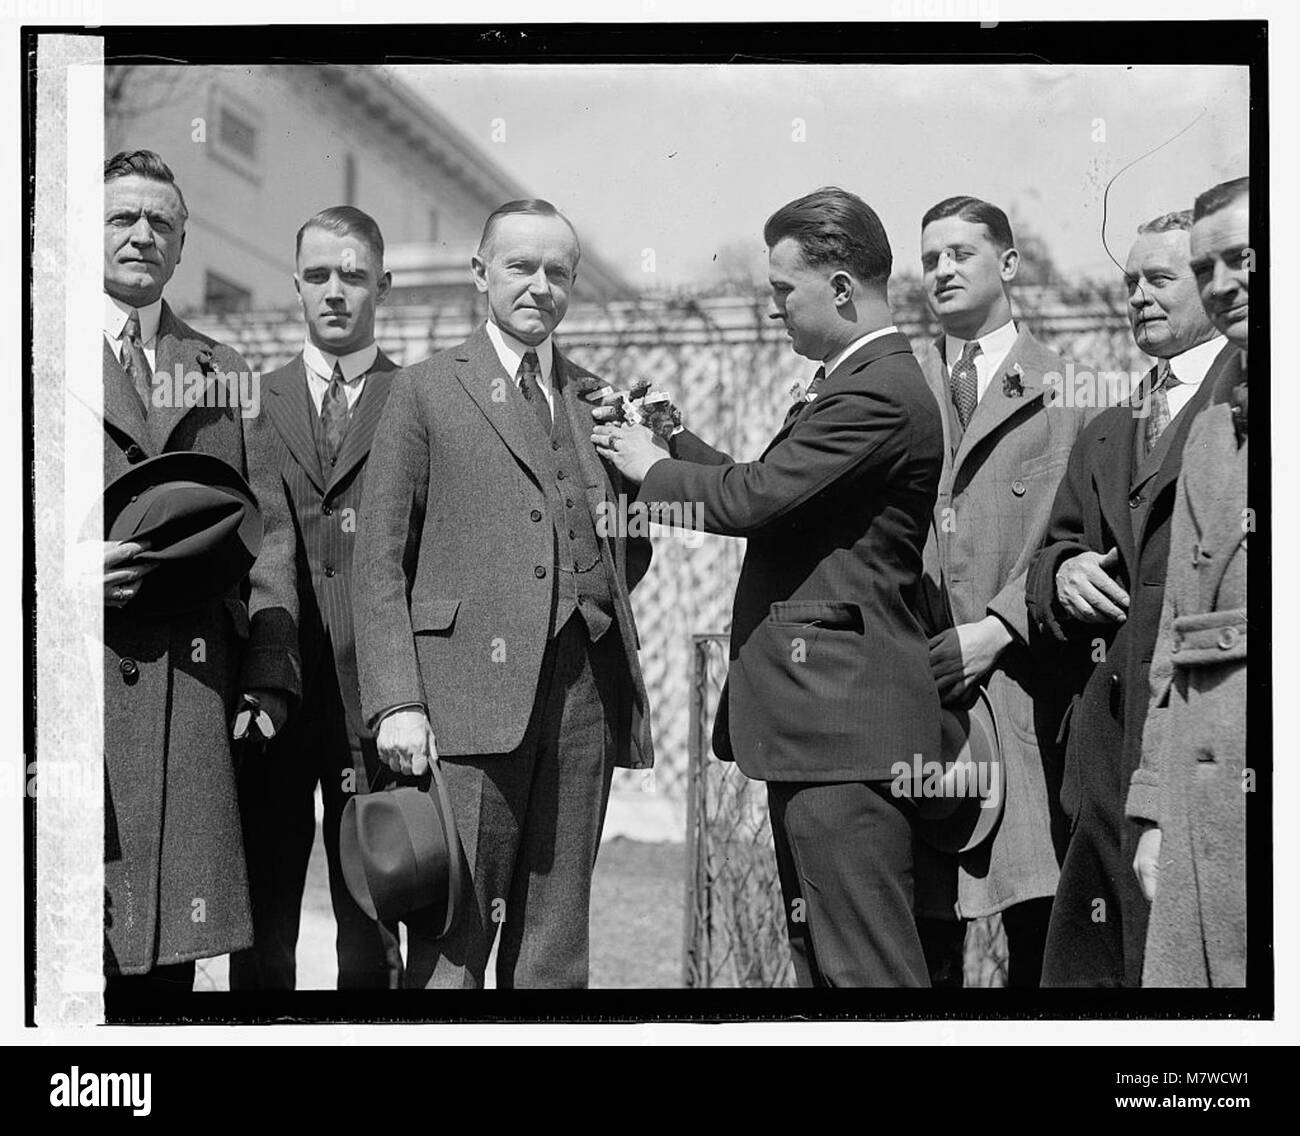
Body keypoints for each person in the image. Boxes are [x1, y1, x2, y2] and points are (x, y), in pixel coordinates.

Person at [596, 186, 943, 987]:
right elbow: (774, 497)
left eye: (785, 289)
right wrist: (671, 440)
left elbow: (753, 500)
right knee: (826, 966)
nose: (773, 304)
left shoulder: (877, 390)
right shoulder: (858, 381)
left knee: (868, 976)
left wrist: (649, 468)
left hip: (843, 742)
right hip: (825, 738)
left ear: (844, 289)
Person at [352, 199, 653, 989]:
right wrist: (396, 702)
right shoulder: (421, 390)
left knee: (556, 951)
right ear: (480, 273)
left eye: (558, 271)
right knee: (451, 950)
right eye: (521, 266)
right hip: (463, 705)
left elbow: (624, 551)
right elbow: (379, 561)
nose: (540, 285)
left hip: (584, 698)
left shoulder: (596, 400)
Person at [86, 150, 300, 1005]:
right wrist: (59, 584)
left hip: (189, 706)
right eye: (121, 218)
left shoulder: (224, 371)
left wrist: (269, 674)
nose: (142, 234)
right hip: (68, 711)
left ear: (181, 248)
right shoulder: (28, 350)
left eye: (161, 223)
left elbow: (271, 540)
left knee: (165, 971)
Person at [1027, 209, 1226, 987]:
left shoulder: (1250, 407)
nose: (1139, 296)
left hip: (1194, 751)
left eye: (1160, 278)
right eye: (1130, 281)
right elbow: (1051, 552)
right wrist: (1063, 572)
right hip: (1102, 763)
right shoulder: (1109, 426)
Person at [910, 196, 1093, 988]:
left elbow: (1085, 539)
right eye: (929, 260)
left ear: (1008, 264)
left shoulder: (1071, 390)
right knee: (921, 945)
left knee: (1038, 938)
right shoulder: (899, 386)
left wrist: (997, 628)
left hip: (1025, 697)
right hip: (919, 702)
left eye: (961, 253)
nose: (942, 271)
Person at [229, 206, 404, 991]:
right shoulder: (247, 401)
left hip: (379, 703)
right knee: (262, 928)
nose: (336, 292)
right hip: (272, 696)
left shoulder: (419, 398)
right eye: (318, 276)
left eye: (355, 275)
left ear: (384, 286)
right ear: (295, 285)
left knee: (372, 924)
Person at [1126, 177, 1250, 987]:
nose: (1222, 284)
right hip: (1199, 800)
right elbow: (1175, 638)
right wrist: (1154, 810)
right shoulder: (1213, 432)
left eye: (1242, 258)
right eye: (1206, 268)